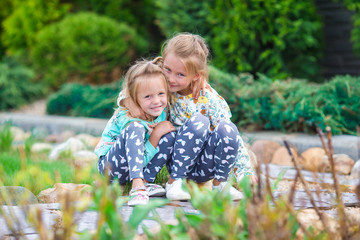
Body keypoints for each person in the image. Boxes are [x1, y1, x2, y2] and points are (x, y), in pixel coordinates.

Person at [121, 33, 258, 201]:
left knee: (227, 128)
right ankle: (174, 183)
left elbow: (231, 136)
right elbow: (134, 88)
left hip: (204, 166)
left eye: (180, 75)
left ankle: (220, 184)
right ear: (163, 63)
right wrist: (130, 102)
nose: (171, 78)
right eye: (168, 70)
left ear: (196, 76)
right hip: (176, 161)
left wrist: (245, 171)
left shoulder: (208, 98)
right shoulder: (160, 81)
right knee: (199, 122)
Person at [94, 58, 176, 206]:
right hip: (112, 168)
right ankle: (137, 186)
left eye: (161, 94)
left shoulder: (161, 112)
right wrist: (156, 134)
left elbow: (142, 158)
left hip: (139, 164)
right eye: (147, 96)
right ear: (134, 99)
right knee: (137, 128)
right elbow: (135, 154)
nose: (157, 101)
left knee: (170, 134)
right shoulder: (127, 117)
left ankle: (145, 182)